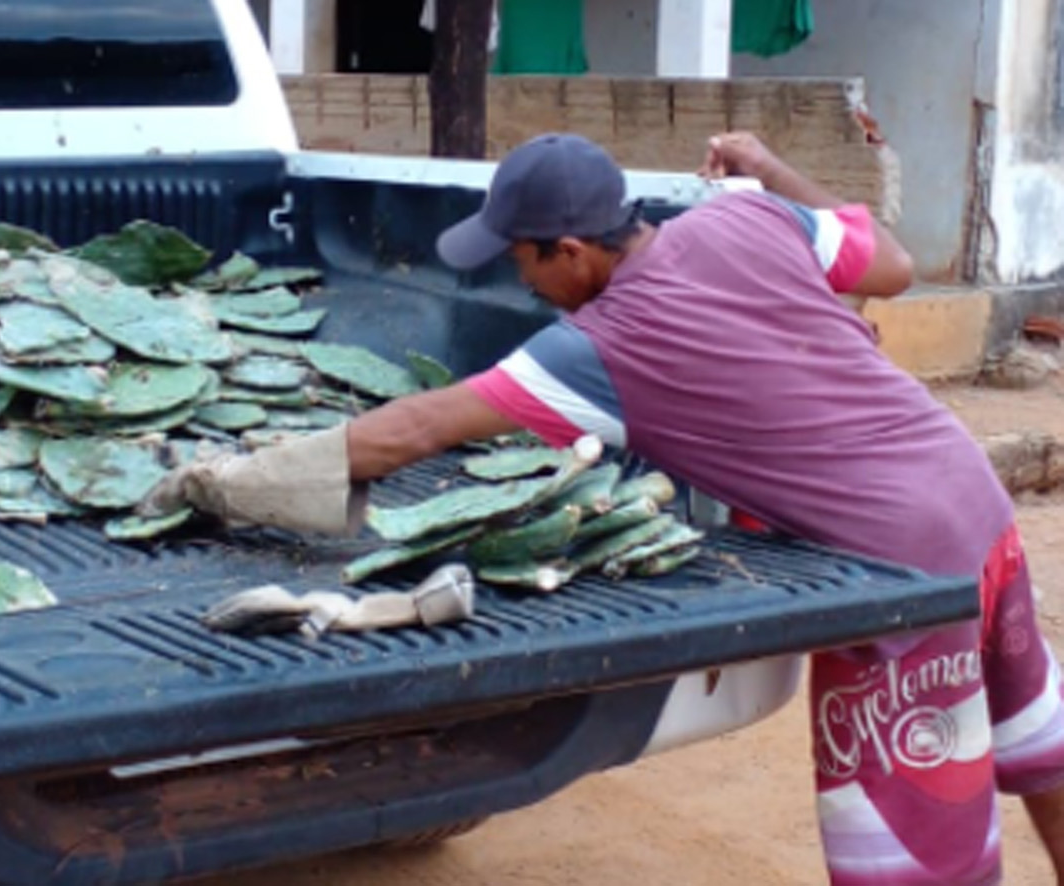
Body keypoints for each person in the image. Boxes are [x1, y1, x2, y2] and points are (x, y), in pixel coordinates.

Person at [141, 131, 1064, 886]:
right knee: (1042, 750)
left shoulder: (596, 350)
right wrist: (768, 164)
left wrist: (226, 479)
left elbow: (413, 430)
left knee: (910, 851)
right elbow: (893, 265)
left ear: (571, 253)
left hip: (900, 573)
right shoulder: (743, 217)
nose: (518, 281)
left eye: (521, 261)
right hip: (970, 502)